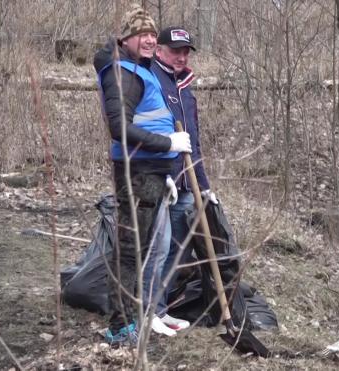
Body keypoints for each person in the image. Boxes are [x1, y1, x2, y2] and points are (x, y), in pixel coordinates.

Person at [93, 4, 192, 345]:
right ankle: (121, 327)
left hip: (151, 172)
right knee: (131, 250)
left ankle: (142, 315)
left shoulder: (139, 68)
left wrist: (164, 167)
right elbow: (120, 128)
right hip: (137, 174)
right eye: (142, 34)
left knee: (152, 247)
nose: (150, 39)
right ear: (126, 38)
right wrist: (169, 143)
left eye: (152, 34)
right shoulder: (122, 73)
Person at [141, 26, 218, 336]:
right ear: (159, 50)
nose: (181, 57)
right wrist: (166, 176)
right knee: (156, 249)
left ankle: (160, 308)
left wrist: (203, 183)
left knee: (177, 250)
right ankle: (146, 311)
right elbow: (153, 132)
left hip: (187, 184)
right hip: (163, 180)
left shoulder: (185, 86)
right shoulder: (152, 80)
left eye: (185, 51)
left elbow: (193, 142)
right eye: (175, 51)